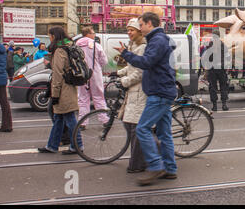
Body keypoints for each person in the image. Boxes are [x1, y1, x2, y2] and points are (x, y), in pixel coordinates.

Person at [115, 12, 178, 186]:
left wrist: (126, 54)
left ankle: (155, 166)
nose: (140, 27)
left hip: (159, 92)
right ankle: (170, 169)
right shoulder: (159, 39)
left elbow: (146, 62)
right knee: (165, 134)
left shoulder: (156, 40)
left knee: (142, 129)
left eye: (141, 24)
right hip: (163, 90)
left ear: (149, 23)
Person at [38, 26, 83, 155]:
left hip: (63, 89)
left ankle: (78, 145)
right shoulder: (68, 46)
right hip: (69, 86)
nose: (49, 38)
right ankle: (52, 145)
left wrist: (55, 94)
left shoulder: (59, 50)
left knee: (69, 118)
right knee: (58, 118)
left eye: (50, 36)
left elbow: (57, 74)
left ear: (54, 36)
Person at [115, 19, 147, 173]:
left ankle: (138, 164)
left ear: (139, 31)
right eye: (127, 30)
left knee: (136, 128)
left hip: (140, 91)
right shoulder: (133, 45)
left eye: (132, 30)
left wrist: (125, 81)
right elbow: (130, 66)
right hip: (133, 92)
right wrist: (118, 73)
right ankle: (142, 160)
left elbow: (140, 71)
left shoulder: (142, 47)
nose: (129, 32)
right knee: (130, 124)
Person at [76, 27, 108, 128]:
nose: (95, 35)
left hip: (81, 75)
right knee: (99, 97)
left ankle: (82, 122)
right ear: (88, 34)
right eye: (93, 33)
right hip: (95, 74)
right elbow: (104, 61)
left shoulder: (76, 45)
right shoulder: (96, 45)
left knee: (82, 98)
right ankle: (105, 120)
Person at [202, 35, 231, 112]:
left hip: (212, 69)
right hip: (221, 69)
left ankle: (214, 106)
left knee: (212, 87)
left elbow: (205, 58)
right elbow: (228, 57)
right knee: (223, 86)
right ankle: (224, 105)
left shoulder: (209, 46)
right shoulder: (223, 46)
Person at [0, 41, 13, 132]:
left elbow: (1, 67)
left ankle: (7, 125)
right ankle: (6, 125)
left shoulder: (0, 51)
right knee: (4, 103)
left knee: (4, 103)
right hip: (1, 79)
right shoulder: (1, 50)